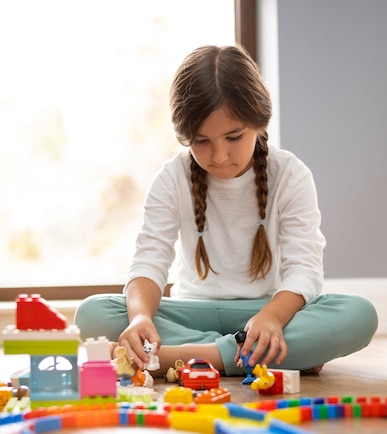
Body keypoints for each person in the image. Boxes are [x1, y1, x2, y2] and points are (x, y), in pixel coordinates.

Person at [74, 44, 378, 378]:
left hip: (264, 312)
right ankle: (255, 354)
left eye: (233, 137)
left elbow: (304, 269)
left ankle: (184, 357)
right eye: (202, 141)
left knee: (359, 314)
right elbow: (149, 259)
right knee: (93, 313)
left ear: (259, 123)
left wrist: (272, 318)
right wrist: (140, 319)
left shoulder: (290, 174)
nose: (219, 155)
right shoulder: (172, 177)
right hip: (190, 311)